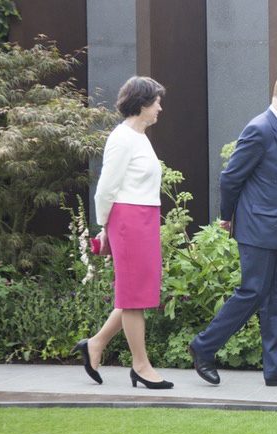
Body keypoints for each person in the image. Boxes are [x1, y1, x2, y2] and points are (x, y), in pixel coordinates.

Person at [188, 71, 277, 387]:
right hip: (258, 229)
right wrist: (227, 216)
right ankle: (203, 346)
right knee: (252, 292)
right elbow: (230, 178)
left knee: (276, 299)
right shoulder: (259, 129)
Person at [72, 76, 173, 389]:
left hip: (143, 218)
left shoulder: (140, 137)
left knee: (137, 293)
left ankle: (95, 344)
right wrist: (104, 227)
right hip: (128, 220)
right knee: (133, 296)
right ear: (142, 104)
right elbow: (106, 187)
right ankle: (141, 365)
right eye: (156, 101)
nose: (160, 107)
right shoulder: (122, 137)